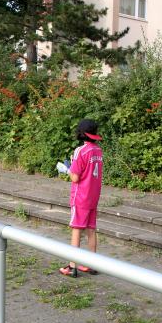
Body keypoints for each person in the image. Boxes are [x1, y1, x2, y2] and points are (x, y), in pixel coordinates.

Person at [56, 119, 103, 277]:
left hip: (81, 196)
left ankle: (72, 266)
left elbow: (75, 177)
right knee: (91, 229)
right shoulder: (98, 151)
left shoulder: (80, 151)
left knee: (76, 228)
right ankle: (92, 264)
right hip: (93, 196)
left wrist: (67, 169)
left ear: (81, 134)